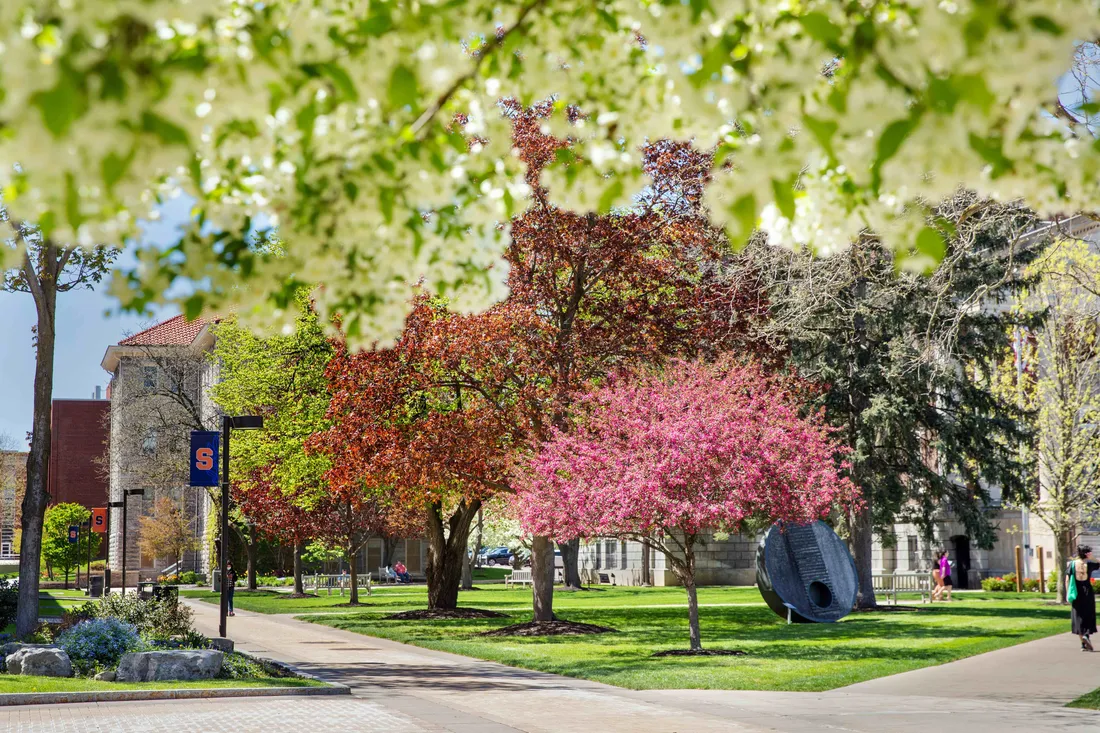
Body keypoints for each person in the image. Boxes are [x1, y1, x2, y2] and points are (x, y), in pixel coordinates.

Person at [1069, 545, 1098, 652]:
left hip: (1076, 592)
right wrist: (1092, 558)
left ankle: (1083, 644)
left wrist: (1068, 595)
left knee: (1078, 616)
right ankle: (1086, 635)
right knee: (1088, 614)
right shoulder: (1089, 564)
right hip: (1087, 592)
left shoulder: (1072, 564)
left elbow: (1067, 579)